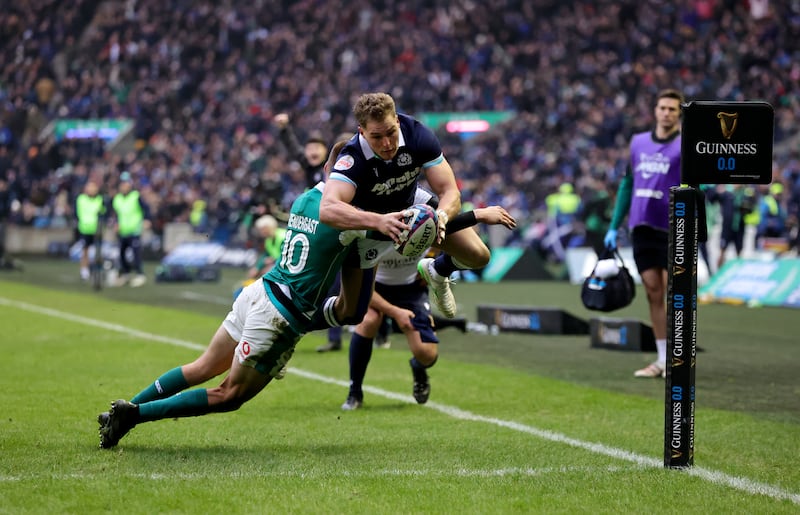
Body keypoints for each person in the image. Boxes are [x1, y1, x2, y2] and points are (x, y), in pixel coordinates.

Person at [97, 139, 407, 449]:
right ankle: (134, 414)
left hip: (260, 291)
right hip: (280, 316)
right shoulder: (352, 218)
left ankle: (122, 410)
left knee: (202, 366)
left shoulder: (304, 199)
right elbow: (363, 277)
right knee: (229, 394)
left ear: (327, 169)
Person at [320, 92, 492, 319]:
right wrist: (379, 221)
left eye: (391, 132)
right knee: (352, 313)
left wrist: (441, 216)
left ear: (398, 121)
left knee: (478, 255)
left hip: (411, 206)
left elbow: (449, 191)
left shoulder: (418, 135)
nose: (387, 143)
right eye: (377, 137)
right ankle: (306, 318)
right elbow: (328, 209)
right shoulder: (352, 157)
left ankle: (437, 271)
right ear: (362, 132)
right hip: (369, 225)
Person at [342, 205, 517, 410]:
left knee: (427, 355)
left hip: (411, 290)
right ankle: (355, 392)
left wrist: (476, 218)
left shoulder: (426, 227)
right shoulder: (376, 234)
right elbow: (362, 289)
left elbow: (455, 233)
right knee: (369, 320)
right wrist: (395, 312)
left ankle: (418, 367)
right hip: (376, 289)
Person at [603, 89, 684, 379]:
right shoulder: (638, 143)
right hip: (642, 227)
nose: (666, 113)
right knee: (653, 292)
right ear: (655, 110)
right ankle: (662, 360)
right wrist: (614, 225)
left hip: (675, 227)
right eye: (663, 107)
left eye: (673, 109)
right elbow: (627, 184)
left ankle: (679, 357)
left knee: (676, 296)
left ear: (679, 114)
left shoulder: (685, 146)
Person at [274, 113, 347, 352]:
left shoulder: (338, 171)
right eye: (309, 147)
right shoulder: (309, 168)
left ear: (327, 152)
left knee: (335, 285)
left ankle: (335, 336)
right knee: (324, 284)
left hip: (335, 230)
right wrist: (284, 130)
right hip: (317, 231)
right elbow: (294, 150)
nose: (312, 151)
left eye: (317, 147)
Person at [111, 171, 150, 287]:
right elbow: (117, 214)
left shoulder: (135, 196)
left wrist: (147, 220)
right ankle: (126, 274)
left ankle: (140, 275)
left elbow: (146, 209)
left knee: (136, 253)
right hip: (123, 231)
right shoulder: (117, 199)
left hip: (134, 230)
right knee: (122, 254)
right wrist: (116, 223)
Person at [75, 180, 106, 281]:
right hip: (84, 229)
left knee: (98, 252)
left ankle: (98, 270)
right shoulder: (81, 199)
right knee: (85, 251)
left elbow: (103, 212)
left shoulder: (100, 200)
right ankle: (84, 270)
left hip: (97, 230)